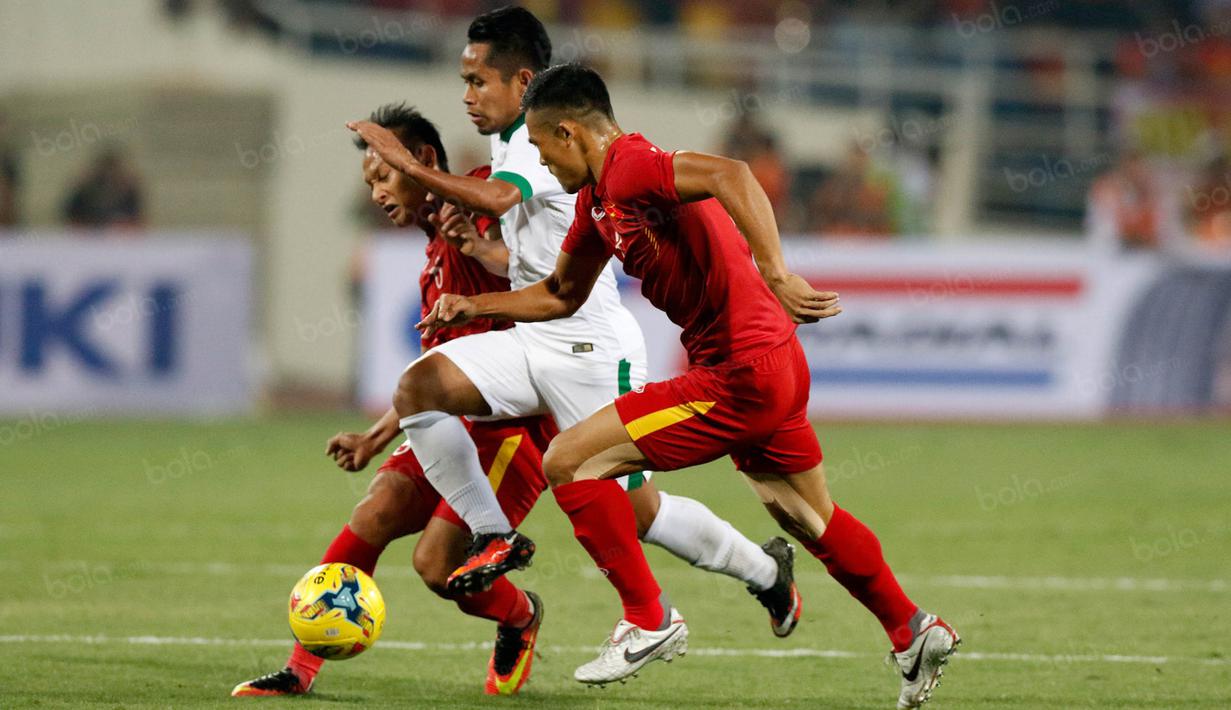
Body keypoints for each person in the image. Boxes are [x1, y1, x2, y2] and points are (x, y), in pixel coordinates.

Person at [417, 63, 960, 709]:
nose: (540, 162)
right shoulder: (595, 203)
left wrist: (776, 272)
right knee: (807, 516)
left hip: (739, 372)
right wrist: (474, 306)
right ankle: (911, 628)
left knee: (568, 460)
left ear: (569, 133)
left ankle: (648, 618)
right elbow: (561, 293)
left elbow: (732, 174)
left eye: (540, 146)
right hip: (771, 366)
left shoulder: (629, 166)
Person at [349, 5, 802, 638]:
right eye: (464, 82)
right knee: (420, 386)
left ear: (522, 81)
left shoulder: (537, 141)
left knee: (639, 513)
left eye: (478, 81)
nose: (467, 96)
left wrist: (411, 165)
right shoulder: (509, 141)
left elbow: (502, 198)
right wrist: (483, 254)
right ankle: (494, 534)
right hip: (536, 336)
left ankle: (764, 572)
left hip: (589, 347)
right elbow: (539, 257)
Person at [233, 104, 552, 698]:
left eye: (384, 175)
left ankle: (520, 616)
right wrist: (374, 437)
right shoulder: (433, 260)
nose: (377, 193)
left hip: (515, 426)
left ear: (422, 161)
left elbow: (547, 271)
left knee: (437, 566)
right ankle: (299, 671)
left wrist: (481, 245)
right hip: (452, 424)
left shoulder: (483, 196)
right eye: (369, 183)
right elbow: (430, 379)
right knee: (374, 512)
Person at [62, 148, 144, 229]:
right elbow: (70, 218)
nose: (108, 175)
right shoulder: (84, 191)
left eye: (112, 170)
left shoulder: (128, 192)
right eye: (105, 170)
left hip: (118, 235)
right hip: (86, 234)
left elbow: (137, 219)